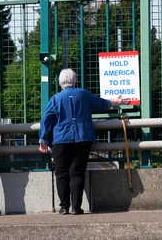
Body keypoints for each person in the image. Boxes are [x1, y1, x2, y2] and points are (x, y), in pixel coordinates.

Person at [39, 68, 130, 215]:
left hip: (60, 140)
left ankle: (63, 207)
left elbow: (46, 120)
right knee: (77, 173)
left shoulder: (55, 99)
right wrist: (116, 102)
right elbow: (100, 103)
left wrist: (43, 139)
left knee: (61, 173)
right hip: (82, 138)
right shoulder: (83, 94)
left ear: (60, 82)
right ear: (74, 81)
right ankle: (76, 207)